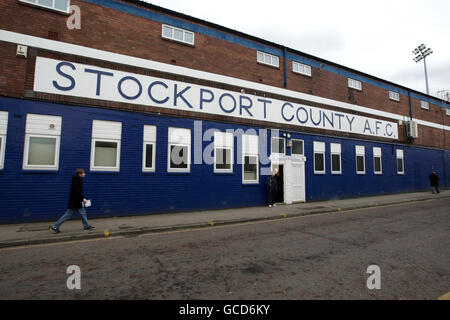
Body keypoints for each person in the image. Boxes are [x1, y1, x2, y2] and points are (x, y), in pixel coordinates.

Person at [50, 168, 95, 233]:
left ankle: (86, 226)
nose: (84, 174)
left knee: (82, 213)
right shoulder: (78, 180)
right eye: (83, 173)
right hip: (75, 202)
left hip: (75, 201)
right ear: (80, 174)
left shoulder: (76, 179)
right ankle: (55, 226)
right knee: (68, 215)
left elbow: (77, 191)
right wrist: (82, 198)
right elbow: (77, 191)